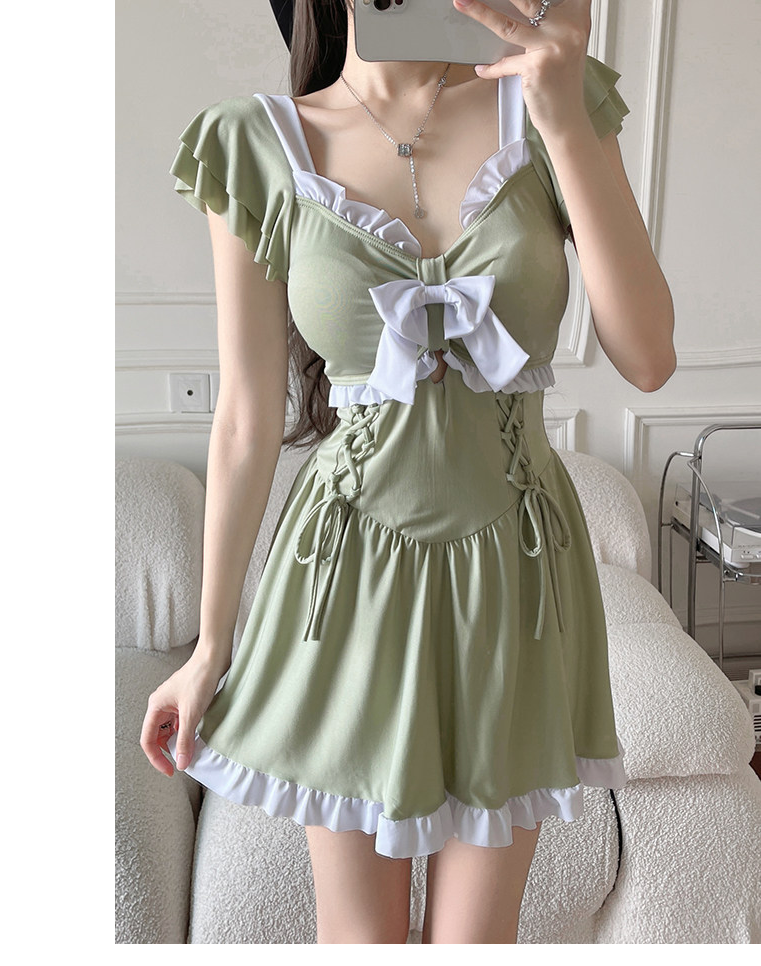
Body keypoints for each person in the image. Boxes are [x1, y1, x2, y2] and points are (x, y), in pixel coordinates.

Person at [140, 0, 675, 945]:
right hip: (343, 579)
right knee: (361, 943)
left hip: (516, 573)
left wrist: (561, 118)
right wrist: (209, 647)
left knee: (476, 942)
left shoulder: (549, 103)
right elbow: (247, 419)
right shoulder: (255, 145)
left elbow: (648, 358)